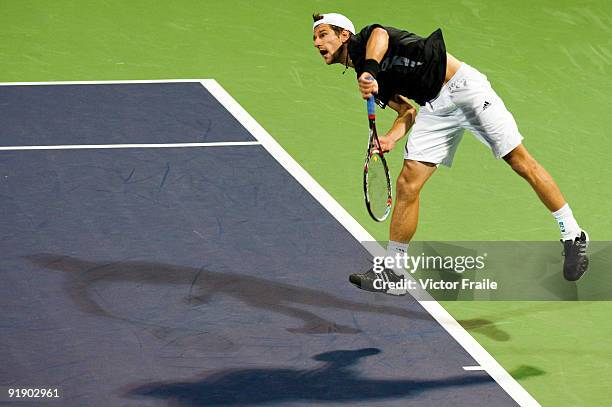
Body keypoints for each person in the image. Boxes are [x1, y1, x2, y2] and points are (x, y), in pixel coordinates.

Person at [311, 12, 589, 294]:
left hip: (464, 89)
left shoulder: (367, 41)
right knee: (408, 182)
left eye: (323, 34)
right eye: (314, 37)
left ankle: (573, 234)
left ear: (344, 35)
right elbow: (407, 111)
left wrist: (370, 69)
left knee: (520, 162)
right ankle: (395, 272)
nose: (316, 42)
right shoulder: (363, 74)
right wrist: (390, 138)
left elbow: (380, 35)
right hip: (435, 108)